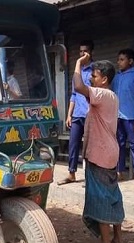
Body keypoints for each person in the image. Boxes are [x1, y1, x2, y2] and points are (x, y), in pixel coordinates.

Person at [72, 52, 123, 243]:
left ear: (104, 79)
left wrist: (77, 64)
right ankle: (117, 241)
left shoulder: (102, 94)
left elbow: (77, 87)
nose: (90, 79)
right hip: (109, 153)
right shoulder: (111, 96)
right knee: (113, 198)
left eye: (93, 76)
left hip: (100, 155)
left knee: (100, 201)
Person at [58, 40, 94, 185]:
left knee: (90, 147)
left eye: (85, 51)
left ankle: (90, 177)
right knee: (73, 144)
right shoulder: (77, 72)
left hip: (90, 114)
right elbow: (73, 94)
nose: (82, 54)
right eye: (80, 51)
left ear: (91, 52)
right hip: (77, 114)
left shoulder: (95, 70)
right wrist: (69, 114)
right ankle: (71, 173)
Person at [112, 49, 134, 186]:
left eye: (122, 59)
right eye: (118, 59)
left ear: (130, 61)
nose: (119, 62)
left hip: (132, 117)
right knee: (118, 145)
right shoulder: (116, 77)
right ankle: (119, 172)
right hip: (118, 117)